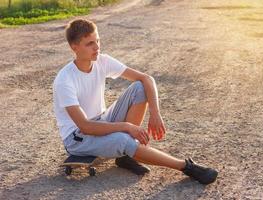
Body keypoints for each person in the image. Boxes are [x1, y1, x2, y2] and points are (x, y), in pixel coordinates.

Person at [53, 18, 218, 184]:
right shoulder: (65, 80)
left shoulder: (102, 61)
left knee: (139, 87)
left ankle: (125, 157)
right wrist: (127, 127)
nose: (97, 47)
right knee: (123, 139)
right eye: (90, 43)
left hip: (100, 120)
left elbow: (146, 79)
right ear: (74, 47)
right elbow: (85, 126)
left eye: (97, 40)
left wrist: (155, 113)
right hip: (77, 138)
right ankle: (186, 166)